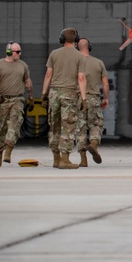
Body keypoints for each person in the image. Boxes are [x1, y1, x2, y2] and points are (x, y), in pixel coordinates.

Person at [41, 27, 87, 169]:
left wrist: (43, 94)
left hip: (54, 93)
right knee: (67, 127)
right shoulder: (80, 56)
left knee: (54, 126)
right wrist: (84, 99)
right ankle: (65, 160)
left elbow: (48, 75)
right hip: (69, 94)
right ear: (76, 40)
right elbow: (81, 78)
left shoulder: (54, 54)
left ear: (62, 39)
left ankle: (56, 159)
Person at [0, 42, 33, 166]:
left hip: (17, 99)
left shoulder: (23, 65)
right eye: (16, 52)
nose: (19, 54)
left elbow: (28, 82)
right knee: (0, 128)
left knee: (15, 124)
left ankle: (8, 151)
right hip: (1, 101)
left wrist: (31, 98)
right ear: (8, 52)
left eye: (20, 51)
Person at [75, 38, 109, 167]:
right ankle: (94, 144)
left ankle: (83, 159)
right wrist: (105, 98)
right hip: (94, 98)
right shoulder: (98, 63)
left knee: (80, 129)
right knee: (96, 124)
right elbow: (105, 83)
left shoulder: (75, 63)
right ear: (89, 47)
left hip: (79, 98)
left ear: (77, 48)